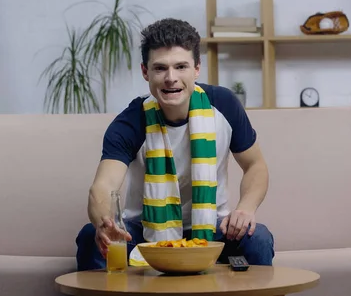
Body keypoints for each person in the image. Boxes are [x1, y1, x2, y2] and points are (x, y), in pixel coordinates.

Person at [76, 18, 274, 271]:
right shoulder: (130, 121)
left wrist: (245, 209)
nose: (171, 78)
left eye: (181, 66)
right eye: (160, 68)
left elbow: (255, 165)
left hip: (214, 226)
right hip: (146, 228)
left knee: (257, 238)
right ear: (145, 72)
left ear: (197, 68)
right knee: (90, 237)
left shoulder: (223, 105)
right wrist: (105, 223)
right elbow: (102, 186)